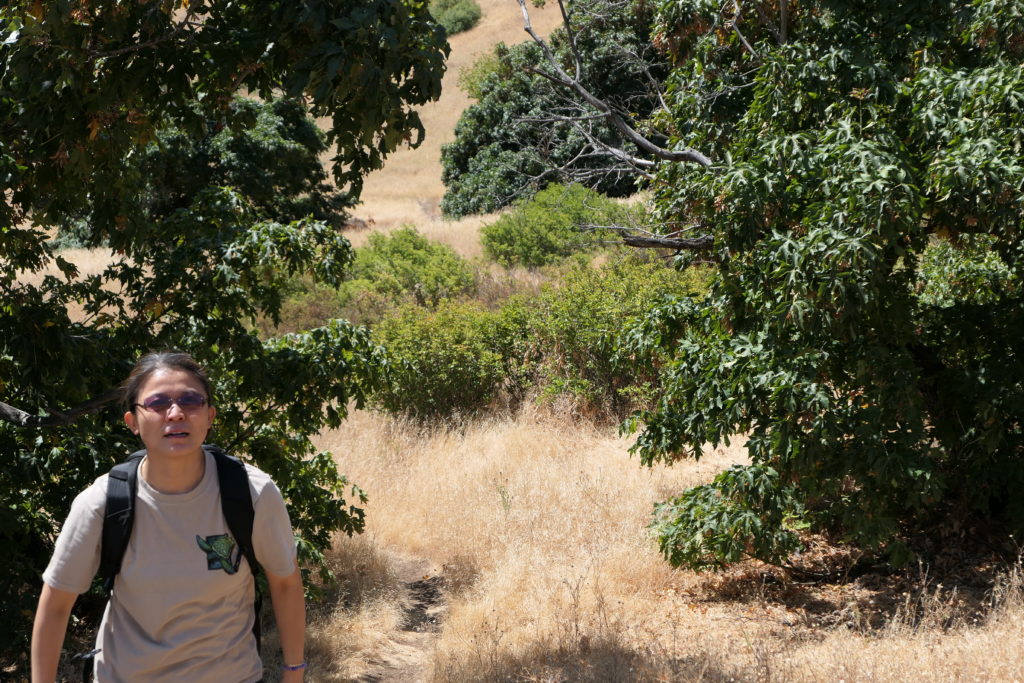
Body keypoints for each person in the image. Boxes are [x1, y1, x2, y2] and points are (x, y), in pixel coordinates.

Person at [30, 352, 307, 682]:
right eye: (158, 403)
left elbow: (285, 583)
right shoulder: (102, 503)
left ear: (210, 416)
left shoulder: (251, 492)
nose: (176, 414)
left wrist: (294, 672)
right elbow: (56, 605)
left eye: (190, 401)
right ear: (132, 422)